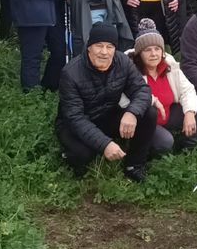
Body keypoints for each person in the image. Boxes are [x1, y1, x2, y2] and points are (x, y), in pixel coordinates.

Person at [56, 23, 156, 181]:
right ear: (89, 47)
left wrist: (131, 112)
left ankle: (134, 165)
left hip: (107, 114)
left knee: (149, 113)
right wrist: (104, 144)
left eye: (110, 47)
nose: (104, 52)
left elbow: (142, 90)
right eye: (99, 46)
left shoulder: (123, 62)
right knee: (83, 155)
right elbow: (75, 118)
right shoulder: (70, 73)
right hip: (76, 123)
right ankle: (66, 156)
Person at [130, 19, 197, 155]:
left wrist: (189, 113)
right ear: (139, 53)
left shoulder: (169, 66)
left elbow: (187, 90)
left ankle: (189, 149)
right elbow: (129, 98)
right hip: (145, 122)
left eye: (157, 49)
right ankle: (148, 154)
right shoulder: (132, 71)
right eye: (148, 50)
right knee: (165, 142)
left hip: (167, 115)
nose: (154, 54)